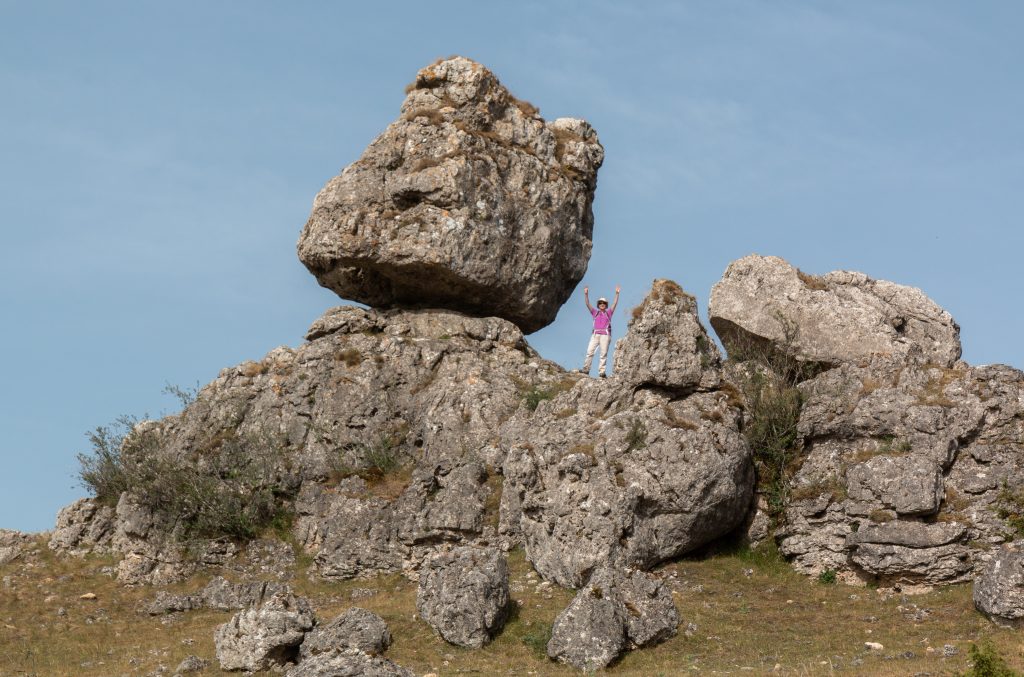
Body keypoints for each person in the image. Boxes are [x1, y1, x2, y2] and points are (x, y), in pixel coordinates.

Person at [581, 284, 620, 378]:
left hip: (605, 335)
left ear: (606, 305)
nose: (602, 304)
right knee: (590, 352)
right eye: (600, 303)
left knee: (603, 354)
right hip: (595, 334)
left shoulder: (609, 313)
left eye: (604, 303)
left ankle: (602, 372)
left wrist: (617, 293)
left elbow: (614, 304)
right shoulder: (595, 312)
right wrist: (586, 294)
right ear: (598, 305)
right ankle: (586, 369)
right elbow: (587, 304)